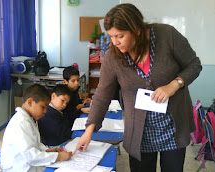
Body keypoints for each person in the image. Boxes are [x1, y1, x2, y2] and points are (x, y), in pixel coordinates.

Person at [74, 3, 202, 172]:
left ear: (137, 30)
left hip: (172, 127)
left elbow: (194, 65)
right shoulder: (113, 56)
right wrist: (89, 130)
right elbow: (102, 94)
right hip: (140, 132)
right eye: (111, 36)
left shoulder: (167, 35)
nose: (115, 42)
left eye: (120, 36)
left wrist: (174, 85)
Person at [0, 84, 72, 172]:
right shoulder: (20, 122)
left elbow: (35, 144)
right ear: (30, 102)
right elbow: (31, 156)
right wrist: (58, 157)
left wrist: (49, 150)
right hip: (18, 168)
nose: (45, 111)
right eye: (43, 107)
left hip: (27, 163)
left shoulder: (29, 118)